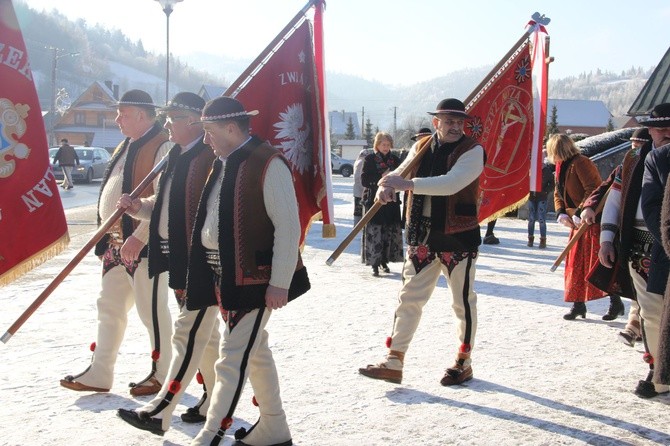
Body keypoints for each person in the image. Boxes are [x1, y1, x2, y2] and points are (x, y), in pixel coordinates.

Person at [185, 97, 310, 446]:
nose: (205, 139)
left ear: (229, 128)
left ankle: (210, 435)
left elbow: (288, 226)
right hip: (226, 276)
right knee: (255, 352)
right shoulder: (225, 161)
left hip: (256, 280)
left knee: (233, 358)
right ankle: (273, 428)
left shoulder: (267, 163)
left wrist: (280, 283)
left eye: (209, 131)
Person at [358, 98, 484, 386]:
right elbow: (400, 171)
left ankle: (464, 361)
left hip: (458, 238)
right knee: (409, 299)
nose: (454, 127)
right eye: (448, 121)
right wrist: (385, 186)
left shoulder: (473, 150)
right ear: (436, 122)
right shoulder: (422, 145)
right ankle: (394, 360)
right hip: (422, 236)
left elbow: (452, 183)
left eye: (459, 122)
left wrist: (407, 185)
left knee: (462, 302)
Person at [116, 92, 219, 435]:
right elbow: (162, 204)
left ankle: (161, 410)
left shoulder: (209, 157)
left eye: (173, 118)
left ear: (194, 121)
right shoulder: (176, 154)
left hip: (202, 263)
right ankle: (214, 398)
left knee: (188, 333)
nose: (167, 124)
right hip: (178, 259)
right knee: (208, 338)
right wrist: (137, 207)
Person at [60, 89, 173, 396]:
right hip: (115, 245)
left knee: (152, 311)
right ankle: (100, 370)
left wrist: (139, 237)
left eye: (123, 114)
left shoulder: (163, 146)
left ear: (141, 115)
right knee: (109, 308)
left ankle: (162, 373)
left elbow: (165, 201)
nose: (117, 119)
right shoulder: (125, 145)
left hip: (144, 245)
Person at [581, 128, 651, 337]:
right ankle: (635, 325)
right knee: (636, 287)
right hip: (634, 237)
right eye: (633, 145)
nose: (635, 150)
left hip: (660, 237)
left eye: (638, 146)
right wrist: (588, 207)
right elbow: (608, 191)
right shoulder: (628, 163)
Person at [546, 133, 608, 320]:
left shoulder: (581, 162)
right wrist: (561, 213)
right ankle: (578, 304)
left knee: (596, 264)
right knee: (575, 266)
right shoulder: (560, 167)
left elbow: (594, 188)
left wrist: (582, 210)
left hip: (591, 221)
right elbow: (558, 192)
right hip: (576, 221)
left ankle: (615, 302)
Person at [639, 102, 670, 398]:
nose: (667, 133)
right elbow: (651, 208)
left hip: (661, 247)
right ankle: (658, 371)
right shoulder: (647, 159)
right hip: (656, 249)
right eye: (661, 128)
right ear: (650, 131)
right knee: (653, 314)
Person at [361, 132, 404, 276]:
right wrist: (381, 177)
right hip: (374, 200)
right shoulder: (370, 159)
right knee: (375, 231)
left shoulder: (396, 160)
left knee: (387, 232)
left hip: (391, 203)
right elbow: (364, 180)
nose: (385, 147)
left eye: (387, 144)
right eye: (383, 144)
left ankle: (385, 261)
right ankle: (374, 263)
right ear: (377, 145)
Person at [527, 160, 554, 248]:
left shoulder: (547, 170)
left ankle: (543, 239)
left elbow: (552, 183)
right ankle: (530, 238)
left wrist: (546, 191)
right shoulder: (531, 169)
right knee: (531, 219)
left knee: (541, 219)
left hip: (542, 197)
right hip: (532, 196)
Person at [353, 147, 373, 225]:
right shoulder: (361, 162)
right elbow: (359, 177)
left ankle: (357, 225)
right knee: (359, 210)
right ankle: (358, 226)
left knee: (358, 209)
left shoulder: (357, 161)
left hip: (357, 190)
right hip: (360, 190)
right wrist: (365, 188)